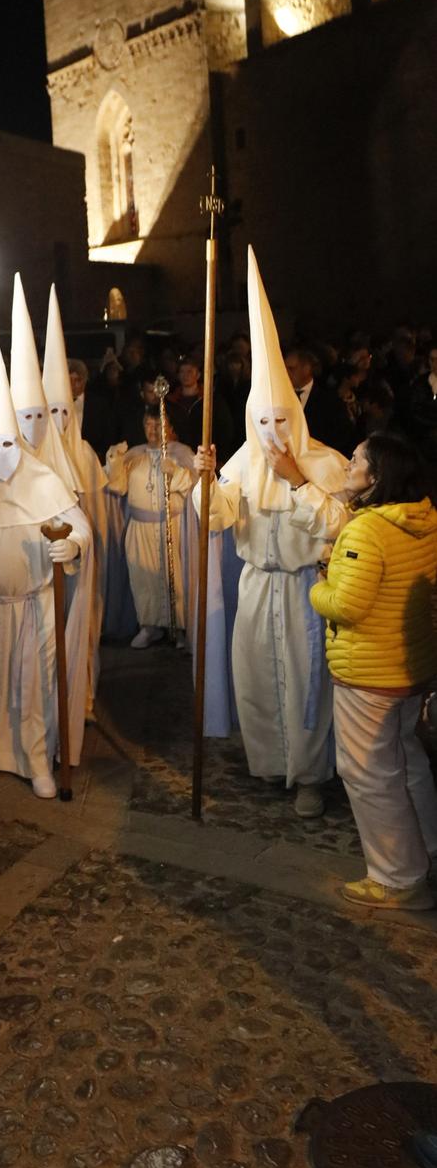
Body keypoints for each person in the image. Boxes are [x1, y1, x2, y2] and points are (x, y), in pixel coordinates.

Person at [193, 247, 348, 820]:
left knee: (309, 687)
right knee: (258, 679)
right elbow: (215, 516)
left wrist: (298, 481)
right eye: (263, 422)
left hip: (309, 589)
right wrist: (205, 483)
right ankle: (268, 763)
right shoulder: (241, 462)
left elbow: (341, 528)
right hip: (258, 587)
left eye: (282, 420)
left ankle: (309, 773)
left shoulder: (328, 462)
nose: (273, 432)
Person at [0, 321, 90, 796]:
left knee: (32, 690)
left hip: (32, 605)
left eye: (9, 444)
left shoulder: (43, 478)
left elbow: (80, 525)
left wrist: (73, 545)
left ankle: (36, 762)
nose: (1, 454)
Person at [307, 432, 437, 909]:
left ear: (375, 476)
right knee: (407, 762)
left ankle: (397, 877)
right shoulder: (424, 518)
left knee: (367, 772)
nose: (348, 465)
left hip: (370, 669)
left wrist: (319, 583)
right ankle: (427, 850)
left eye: (356, 460)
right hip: (409, 664)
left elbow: (347, 605)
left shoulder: (366, 530)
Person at [43, 289, 107, 704]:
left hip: (77, 558)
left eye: (66, 411)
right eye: (52, 412)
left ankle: (82, 695)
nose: (60, 421)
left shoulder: (83, 452)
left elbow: (95, 513)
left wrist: (84, 547)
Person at [105, 406, 195, 648]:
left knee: (175, 580)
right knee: (143, 579)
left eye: (159, 423)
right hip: (140, 529)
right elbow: (118, 487)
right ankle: (149, 626)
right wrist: (114, 461)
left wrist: (176, 473)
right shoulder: (134, 455)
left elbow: (196, 489)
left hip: (172, 526)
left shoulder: (181, 453)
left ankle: (181, 628)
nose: (153, 429)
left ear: (170, 426)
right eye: (148, 424)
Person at [285, 344, 354, 456]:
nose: (286, 373)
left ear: (306, 369)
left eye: (291, 369)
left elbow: (341, 435)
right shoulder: (279, 394)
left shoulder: (329, 400)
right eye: (284, 368)